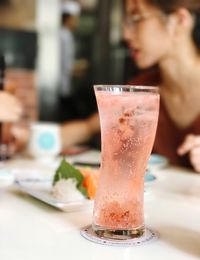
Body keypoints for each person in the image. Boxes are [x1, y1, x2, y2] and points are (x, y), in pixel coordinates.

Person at [62, 0, 200, 172]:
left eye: (136, 18)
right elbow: (88, 127)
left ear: (180, 21)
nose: (125, 34)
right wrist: (28, 138)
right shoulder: (141, 90)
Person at [58, 1, 88, 121]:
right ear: (68, 18)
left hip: (63, 86)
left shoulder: (63, 34)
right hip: (62, 87)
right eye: (75, 19)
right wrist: (81, 67)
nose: (77, 22)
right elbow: (67, 66)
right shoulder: (65, 36)